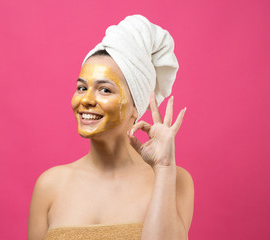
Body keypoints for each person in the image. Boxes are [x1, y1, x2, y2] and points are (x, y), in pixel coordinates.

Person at [27, 15, 194, 240]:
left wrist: (164, 168)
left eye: (104, 90)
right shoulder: (50, 185)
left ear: (136, 105)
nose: (86, 100)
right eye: (81, 88)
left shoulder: (174, 180)